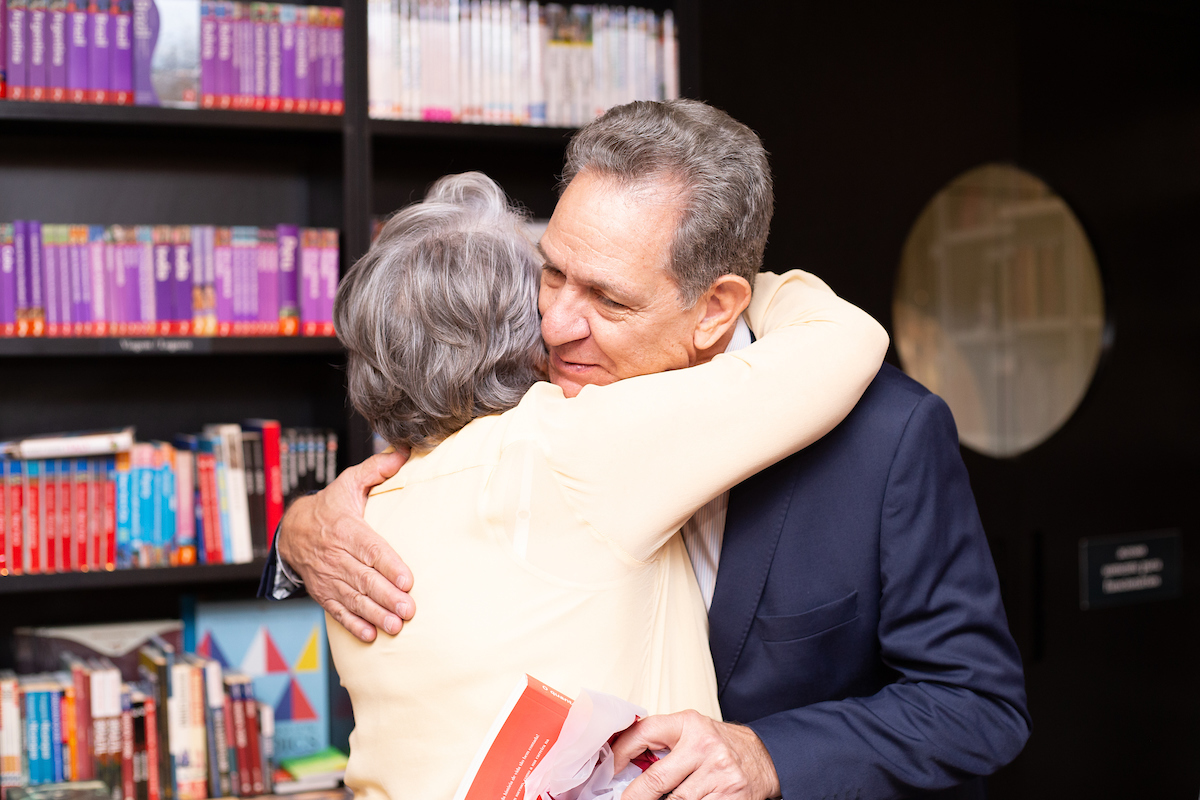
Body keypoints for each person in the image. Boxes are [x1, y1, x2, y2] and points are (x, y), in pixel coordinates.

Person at [262, 100, 1031, 800]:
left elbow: (976, 704)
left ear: (718, 307)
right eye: (551, 272)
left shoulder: (886, 438)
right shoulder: (538, 404)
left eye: (608, 299)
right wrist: (298, 532)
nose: (556, 325)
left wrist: (767, 755)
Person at [324, 170, 887, 800]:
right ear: (521, 335)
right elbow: (845, 341)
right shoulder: (567, 446)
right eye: (550, 282)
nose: (562, 319)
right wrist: (753, 288)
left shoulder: (353, 522)